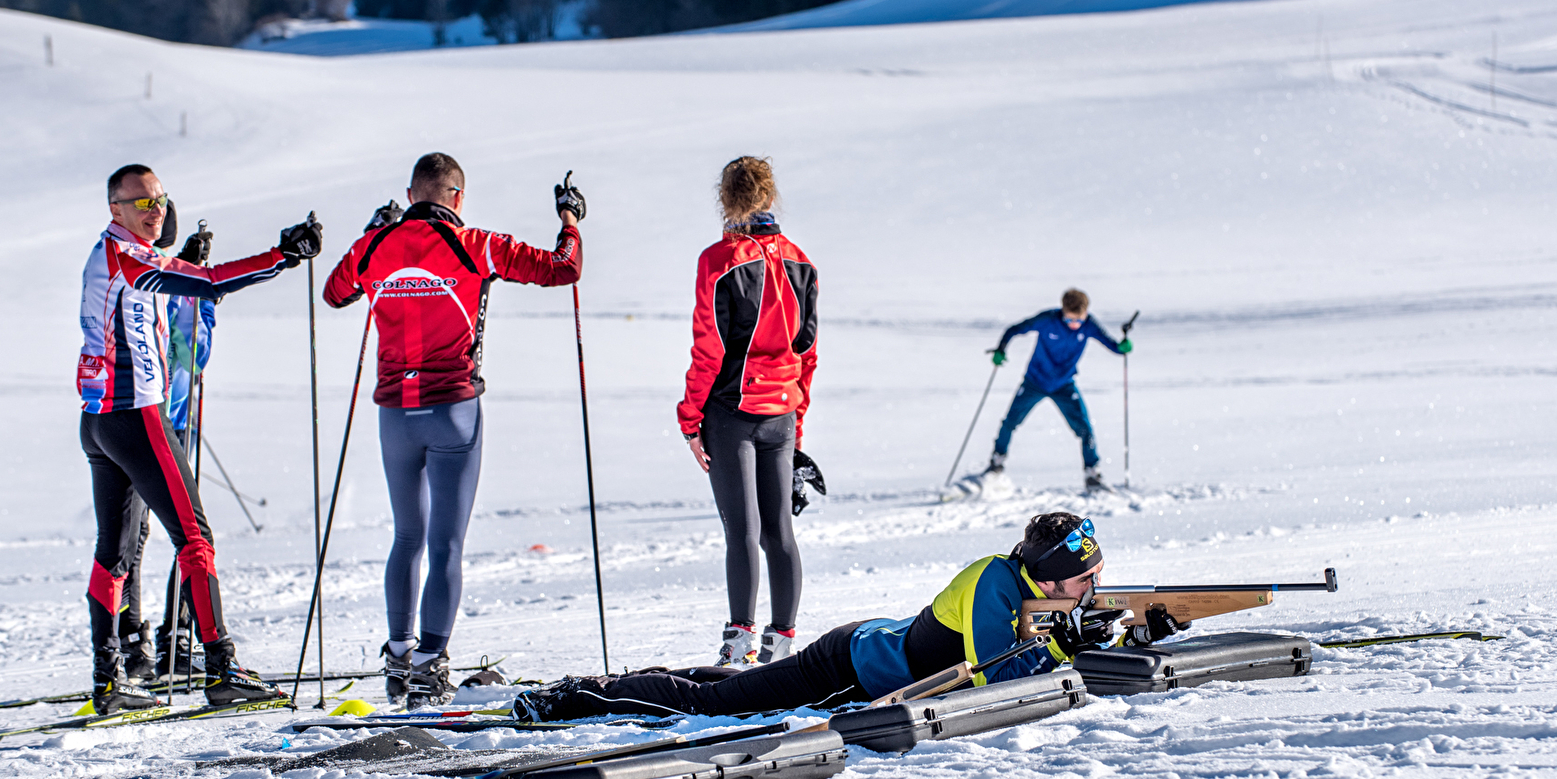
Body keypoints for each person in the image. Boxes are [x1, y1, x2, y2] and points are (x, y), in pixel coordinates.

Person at [322, 153, 584, 709]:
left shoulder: (373, 246)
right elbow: (563, 268)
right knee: (445, 543)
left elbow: (336, 293)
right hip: (453, 410)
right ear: (457, 197)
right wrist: (569, 218)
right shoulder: (475, 244)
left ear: (410, 195)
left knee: (406, 537)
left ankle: (398, 657)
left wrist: (372, 233)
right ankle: (428, 665)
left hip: (395, 413)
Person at [511, 511, 1188, 721]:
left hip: (868, 657)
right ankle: (573, 698)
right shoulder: (994, 584)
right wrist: (1077, 646)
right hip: (850, 668)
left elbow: (1042, 655)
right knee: (712, 708)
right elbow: (997, 682)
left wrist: (1133, 634)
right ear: (1048, 577)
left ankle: (623, 681)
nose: (1095, 587)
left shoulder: (1036, 592)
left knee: (729, 688)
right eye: (1085, 580)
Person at [79, 164, 321, 714]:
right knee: (194, 538)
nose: (155, 210)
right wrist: (282, 256)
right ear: (116, 209)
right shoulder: (128, 256)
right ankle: (222, 668)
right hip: (135, 416)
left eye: (160, 200)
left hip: (99, 419)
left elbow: (178, 286)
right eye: (142, 203)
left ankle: (109, 680)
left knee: (115, 552)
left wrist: (185, 259)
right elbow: (207, 283)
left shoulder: (117, 252)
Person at [676, 156, 818, 669]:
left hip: (732, 413)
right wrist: (797, 424)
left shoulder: (719, 260)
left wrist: (689, 420)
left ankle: (739, 641)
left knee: (742, 531)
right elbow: (807, 352)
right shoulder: (801, 261)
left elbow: (708, 350)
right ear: (770, 196)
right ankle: (782, 642)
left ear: (725, 200)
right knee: (778, 530)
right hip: (781, 413)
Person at [117, 207, 216, 684]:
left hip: (169, 422)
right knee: (152, 537)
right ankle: (137, 642)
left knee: (172, 537)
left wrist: (199, 288)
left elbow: (193, 354)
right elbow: (192, 353)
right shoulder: (141, 278)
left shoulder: (169, 281)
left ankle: (165, 638)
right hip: (149, 423)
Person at [957, 288, 1129, 497]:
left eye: (1079, 320)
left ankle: (1093, 476)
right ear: (1062, 311)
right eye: (1069, 320)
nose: (1074, 325)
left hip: (1064, 385)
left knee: (1085, 429)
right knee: (1010, 423)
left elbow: (1114, 346)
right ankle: (996, 465)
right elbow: (1014, 329)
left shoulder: (1090, 325)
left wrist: (1123, 346)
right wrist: (1001, 349)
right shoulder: (1047, 320)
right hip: (1034, 382)